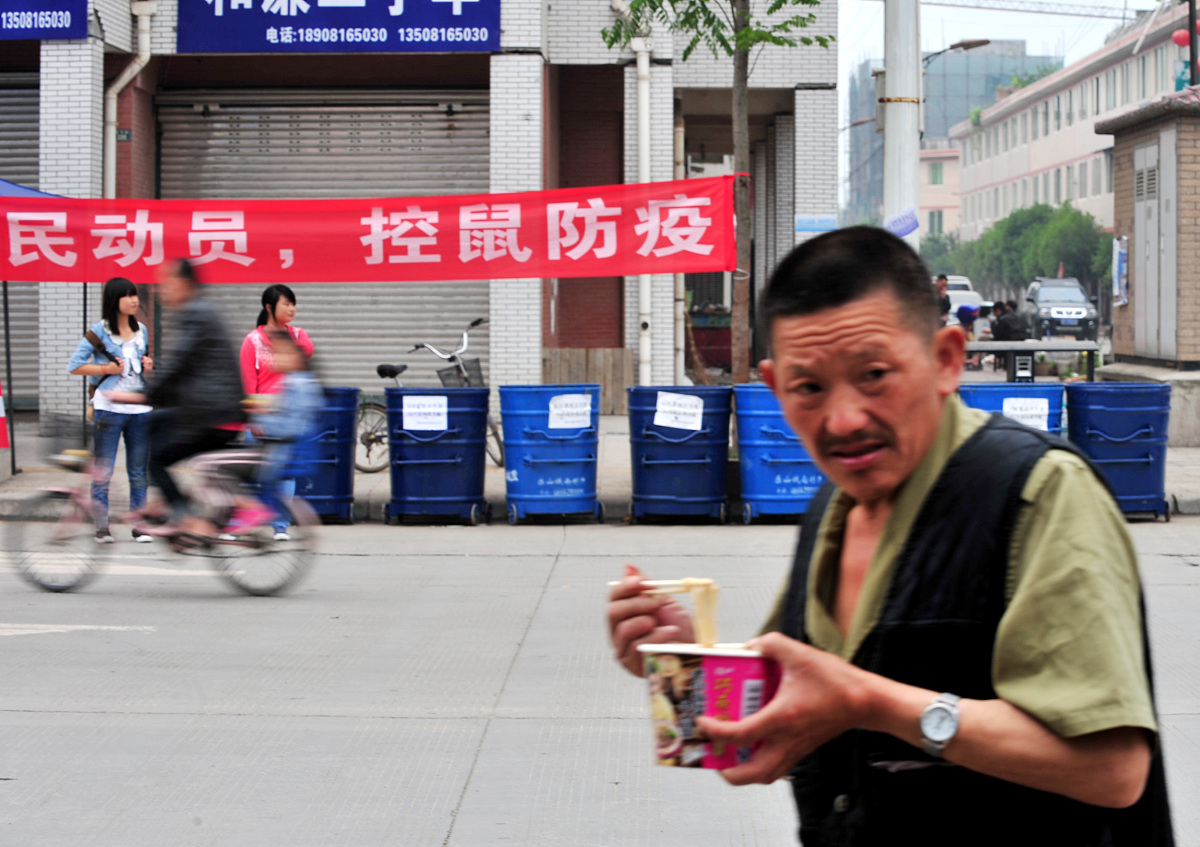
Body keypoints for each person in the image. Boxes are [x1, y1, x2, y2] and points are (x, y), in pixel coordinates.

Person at [607, 226, 1172, 846]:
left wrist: (873, 703)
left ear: (947, 360)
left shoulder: (1038, 495)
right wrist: (689, 666)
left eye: (874, 374)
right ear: (774, 388)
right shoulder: (832, 509)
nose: (844, 419)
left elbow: (1113, 769)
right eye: (809, 388)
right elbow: (790, 716)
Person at [109, 258, 246, 539]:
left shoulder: (195, 313)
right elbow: (185, 371)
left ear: (184, 284)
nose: (162, 291)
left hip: (211, 414)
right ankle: (171, 501)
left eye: (167, 283)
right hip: (207, 409)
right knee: (152, 426)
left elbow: (178, 365)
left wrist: (145, 395)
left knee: (157, 460)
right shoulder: (198, 311)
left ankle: (183, 515)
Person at [66, 277, 154, 544]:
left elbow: (142, 363)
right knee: (103, 469)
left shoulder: (142, 330)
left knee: (138, 471)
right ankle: (102, 527)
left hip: (140, 408)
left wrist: (147, 363)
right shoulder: (98, 332)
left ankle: (139, 525)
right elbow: (75, 366)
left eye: (135, 295)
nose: (134, 300)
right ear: (114, 300)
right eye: (127, 295)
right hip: (109, 407)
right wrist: (105, 369)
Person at [239, 284, 315, 540]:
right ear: (269, 308)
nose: (292, 309)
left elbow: (306, 356)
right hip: (262, 419)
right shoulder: (252, 341)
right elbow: (249, 383)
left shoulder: (298, 336)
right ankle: (249, 523)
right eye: (286, 303)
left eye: (294, 304)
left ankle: (280, 525)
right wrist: (252, 419)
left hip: (288, 419)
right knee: (256, 475)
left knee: (284, 474)